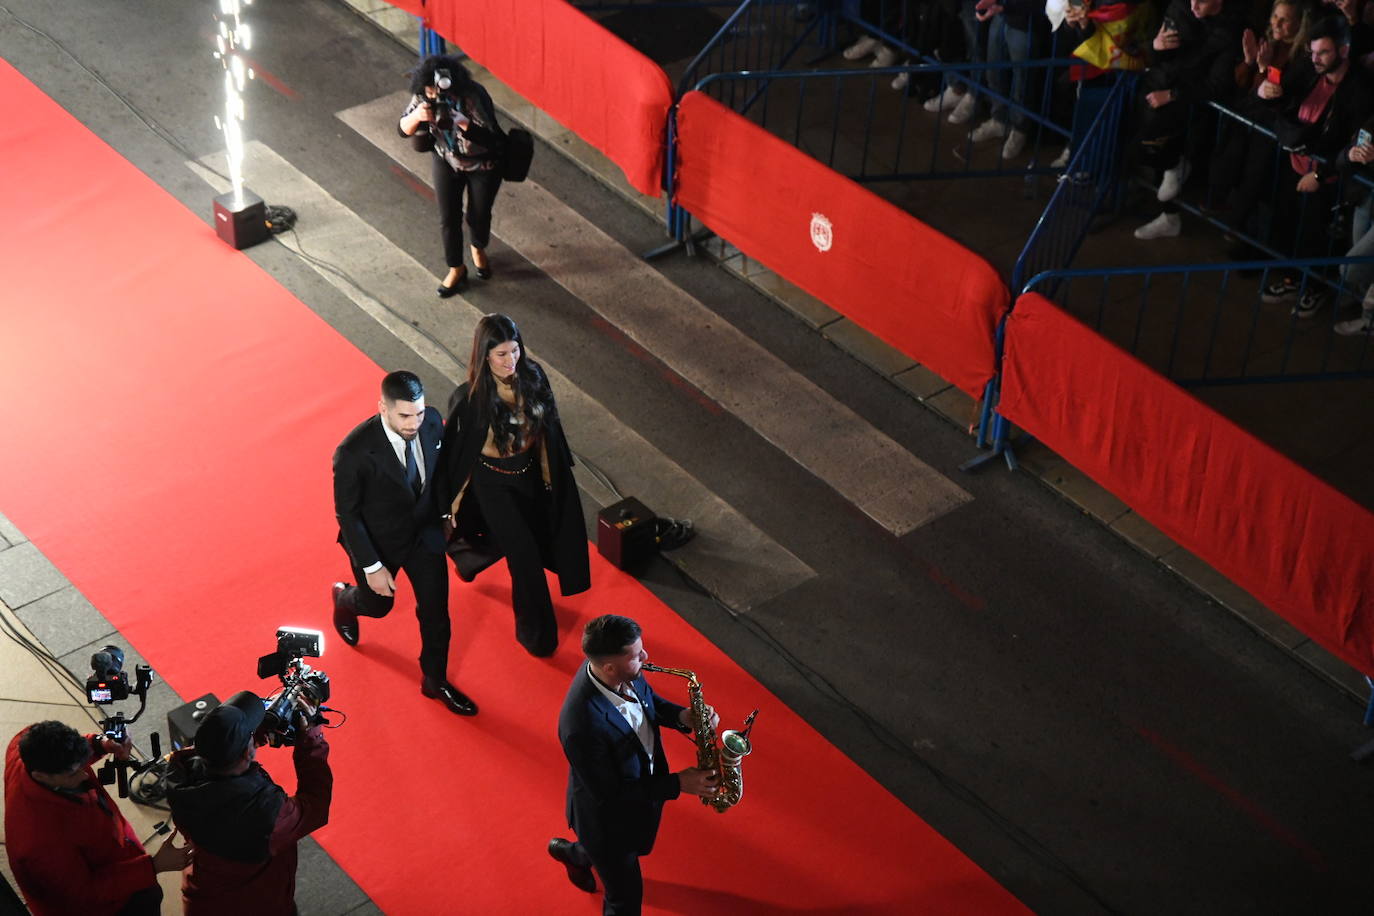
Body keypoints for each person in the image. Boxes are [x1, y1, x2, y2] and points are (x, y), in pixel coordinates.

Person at [436, 314, 590, 657]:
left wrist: (553, 482)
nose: (511, 361)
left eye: (514, 351)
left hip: (531, 477)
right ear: (485, 355)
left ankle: (468, 559)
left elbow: (550, 434)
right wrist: (450, 509)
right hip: (494, 487)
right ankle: (538, 636)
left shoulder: (534, 378)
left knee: (533, 541)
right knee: (526, 562)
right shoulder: (469, 399)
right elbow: (457, 458)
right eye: (501, 354)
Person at [549, 615, 720, 915]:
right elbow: (611, 796)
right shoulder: (580, 726)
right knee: (624, 901)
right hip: (607, 823)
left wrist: (683, 717)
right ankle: (579, 853)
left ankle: (574, 854)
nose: (645, 657)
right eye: (636, 655)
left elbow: (648, 701)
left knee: (604, 850)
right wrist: (679, 783)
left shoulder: (620, 672)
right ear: (610, 667)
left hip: (639, 793)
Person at [332, 369, 478, 716]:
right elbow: (348, 515)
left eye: (419, 412)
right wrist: (372, 567)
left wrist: (444, 515)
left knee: (436, 613)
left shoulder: (430, 424)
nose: (414, 422)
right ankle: (344, 599)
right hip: (379, 544)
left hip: (424, 537)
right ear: (383, 407)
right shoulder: (353, 452)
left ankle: (435, 679)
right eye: (404, 415)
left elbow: (437, 474)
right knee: (379, 607)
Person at [166, 690, 331, 915]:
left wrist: (258, 733)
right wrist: (311, 739)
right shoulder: (267, 814)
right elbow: (316, 805)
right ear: (246, 753)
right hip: (257, 904)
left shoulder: (179, 769)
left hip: (204, 897)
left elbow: (221, 748)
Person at [4, 721, 189, 915]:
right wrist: (154, 866)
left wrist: (100, 744)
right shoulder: (37, 843)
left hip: (111, 856)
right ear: (41, 776)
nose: (85, 775)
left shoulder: (26, 743)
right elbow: (85, 893)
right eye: (73, 772)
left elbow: (71, 750)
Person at [1257, 15, 1374, 312]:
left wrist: (1321, 175)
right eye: (1313, 52)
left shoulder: (1359, 90)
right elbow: (1286, 106)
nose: (1316, 59)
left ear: (1344, 51)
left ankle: (1315, 287)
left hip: (1328, 178)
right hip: (1295, 162)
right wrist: (1268, 93)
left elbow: (1355, 146)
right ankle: (1293, 279)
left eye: (1323, 53)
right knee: (1288, 225)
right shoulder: (1307, 70)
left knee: (1316, 237)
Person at [1131, 0, 1246, 240]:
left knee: (1152, 151)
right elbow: (1157, 54)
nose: (1194, 4)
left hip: (1187, 106)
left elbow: (1216, 84)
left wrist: (1173, 95)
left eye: (1201, 1)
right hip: (1154, 87)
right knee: (1130, 147)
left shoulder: (1232, 30)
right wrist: (1156, 46)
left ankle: (1171, 205)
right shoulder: (1179, 8)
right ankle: (1169, 209)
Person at [398, 55, 505, 298]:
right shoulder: (423, 96)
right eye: (428, 91)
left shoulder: (472, 95)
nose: (433, 96)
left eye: (436, 92)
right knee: (448, 219)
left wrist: (465, 123)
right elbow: (402, 129)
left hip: (482, 165)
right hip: (445, 160)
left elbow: (494, 140)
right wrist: (417, 117)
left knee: (478, 215)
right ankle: (456, 267)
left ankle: (478, 248)